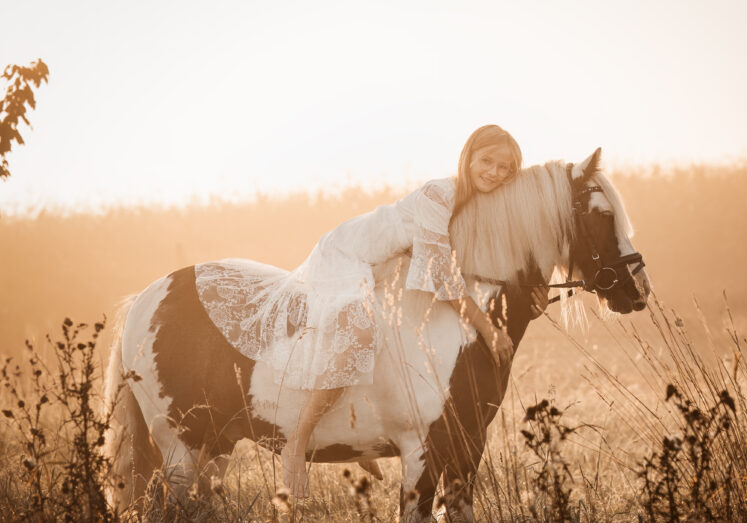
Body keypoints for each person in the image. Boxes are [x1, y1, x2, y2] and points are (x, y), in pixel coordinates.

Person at [227, 125, 547, 495]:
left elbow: (479, 269)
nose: (493, 172)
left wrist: (530, 303)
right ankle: (297, 441)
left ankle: (366, 429)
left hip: (392, 267)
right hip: (350, 256)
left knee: (393, 342)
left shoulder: (483, 205)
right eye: (486, 161)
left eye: (504, 168)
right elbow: (440, 274)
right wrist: (489, 331)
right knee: (359, 334)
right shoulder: (440, 194)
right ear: (468, 158)